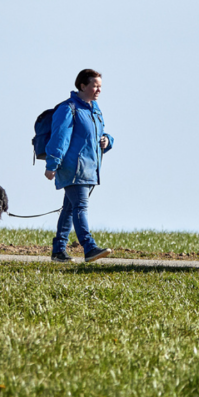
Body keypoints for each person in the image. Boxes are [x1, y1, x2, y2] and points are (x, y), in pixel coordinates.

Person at [45, 69, 114, 263]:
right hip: (73, 169)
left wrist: (107, 140)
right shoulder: (68, 109)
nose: (98, 89)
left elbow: (99, 134)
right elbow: (60, 138)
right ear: (82, 86)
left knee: (69, 208)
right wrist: (52, 164)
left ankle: (58, 251)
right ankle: (89, 247)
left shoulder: (94, 109)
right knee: (80, 207)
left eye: (100, 86)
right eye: (94, 85)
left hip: (90, 169)